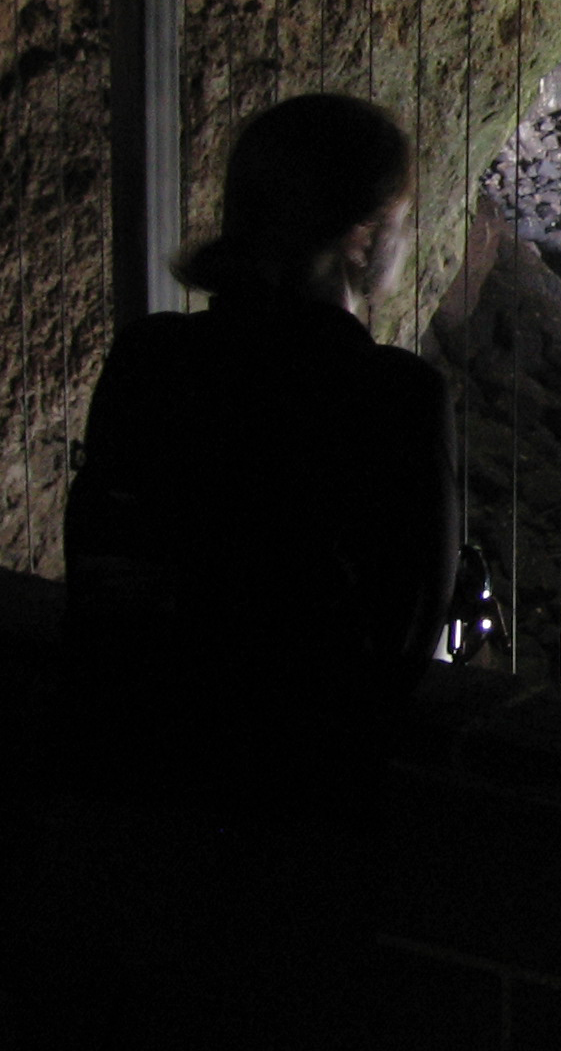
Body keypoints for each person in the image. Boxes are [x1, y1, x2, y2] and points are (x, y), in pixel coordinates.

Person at [45, 92, 459, 1046]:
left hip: (121, 798)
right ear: (362, 241)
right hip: (293, 826)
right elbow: (404, 638)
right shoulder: (395, 396)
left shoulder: (147, 358)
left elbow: (105, 566)